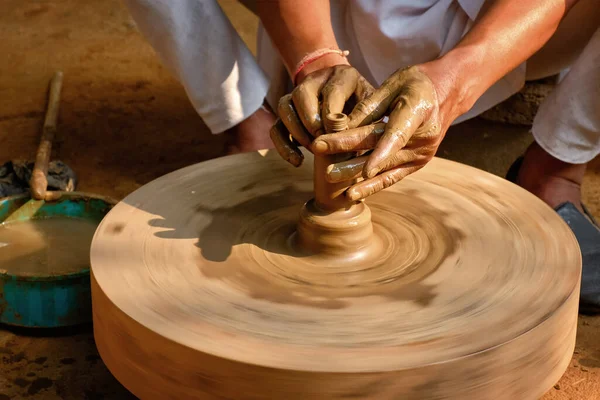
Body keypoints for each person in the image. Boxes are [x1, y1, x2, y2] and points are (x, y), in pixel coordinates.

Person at [123, 0, 599, 312]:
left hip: (497, 28)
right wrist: (315, 57)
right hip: (327, 15)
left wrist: (454, 82)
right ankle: (248, 124)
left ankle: (556, 167)